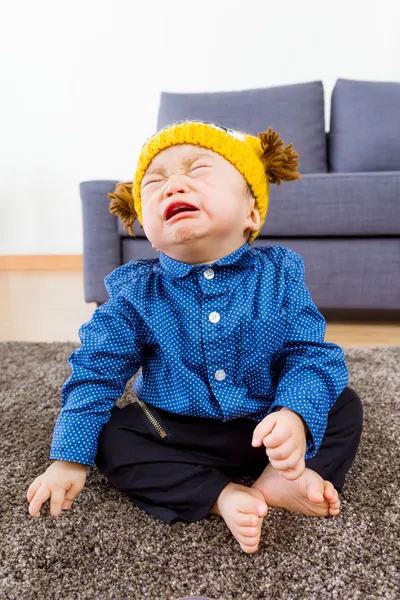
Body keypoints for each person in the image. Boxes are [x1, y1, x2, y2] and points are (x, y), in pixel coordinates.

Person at [26, 120, 363, 554]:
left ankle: (283, 477)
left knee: (341, 401)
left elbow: (308, 352)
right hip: (177, 432)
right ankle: (219, 495)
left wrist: (295, 415)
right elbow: (96, 369)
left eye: (198, 170)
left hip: (269, 424)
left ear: (251, 213)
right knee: (112, 436)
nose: (173, 185)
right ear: (145, 221)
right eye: (155, 182)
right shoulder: (136, 292)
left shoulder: (280, 273)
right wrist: (68, 459)